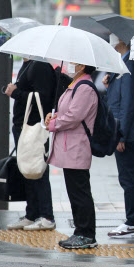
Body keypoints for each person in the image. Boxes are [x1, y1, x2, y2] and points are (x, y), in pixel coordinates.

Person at [104, 34, 134, 239]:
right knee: (128, 177)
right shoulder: (123, 63)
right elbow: (120, 97)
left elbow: (128, 104)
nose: (111, 41)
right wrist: (110, 83)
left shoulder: (130, 64)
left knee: (129, 177)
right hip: (126, 130)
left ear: (122, 41)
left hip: (128, 133)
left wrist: (121, 135)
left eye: (113, 38)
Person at [45, 63, 98, 249]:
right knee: (75, 192)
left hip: (77, 147)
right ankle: (80, 232)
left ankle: (87, 235)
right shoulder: (75, 85)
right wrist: (54, 116)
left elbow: (74, 116)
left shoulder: (84, 88)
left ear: (82, 66)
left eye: (73, 62)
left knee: (80, 193)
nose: (69, 65)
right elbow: (68, 111)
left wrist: (54, 124)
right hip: (70, 147)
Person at [5, 59, 57, 232]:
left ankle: (46, 216)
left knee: (37, 170)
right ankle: (32, 214)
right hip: (24, 127)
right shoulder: (29, 64)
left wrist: (16, 93)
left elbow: (43, 97)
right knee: (28, 171)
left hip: (34, 128)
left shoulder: (40, 65)